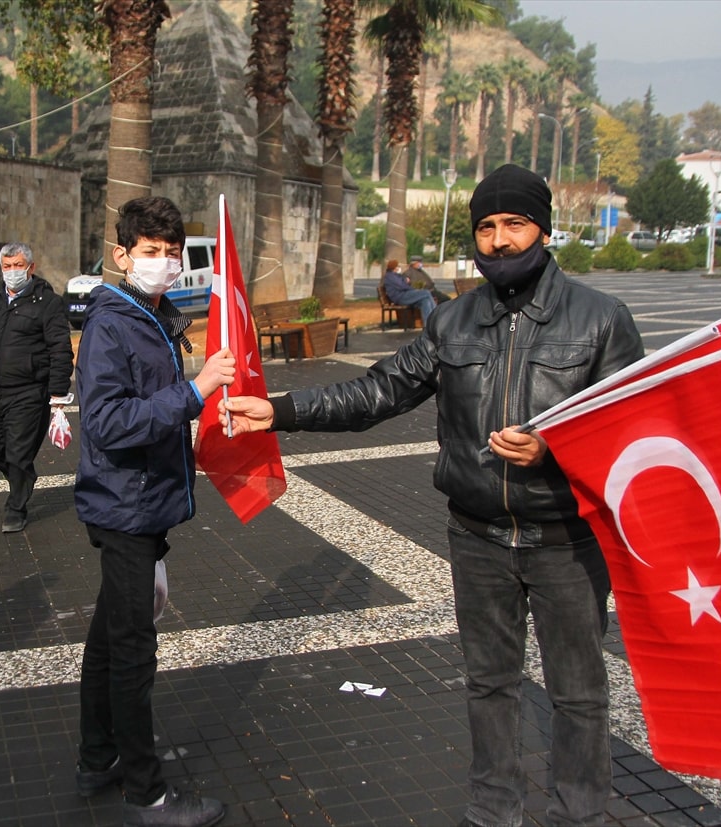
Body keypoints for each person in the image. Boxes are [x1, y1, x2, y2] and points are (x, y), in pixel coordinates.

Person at [222, 165, 644, 827]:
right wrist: (281, 410)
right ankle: (493, 810)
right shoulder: (453, 322)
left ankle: (579, 813)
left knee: (581, 694)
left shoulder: (601, 319)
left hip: (566, 540)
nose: (500, 240)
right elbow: (377, 392)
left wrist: (555, 451)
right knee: (490, 685)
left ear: (544, 227)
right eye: (487, 226)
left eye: (514, 223)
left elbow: (630, 435)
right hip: (477, 538)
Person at [73, 196, 234, 827]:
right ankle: (147, 793)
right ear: (122, 256)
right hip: (125, 508)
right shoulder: (113, 323)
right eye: (150, 252)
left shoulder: (156, 315)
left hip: (143, 505)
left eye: (172, 253)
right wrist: (195, 392)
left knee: (108, 642)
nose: (163, 263)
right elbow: (109, 423)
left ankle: (97, 756)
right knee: (133, 654)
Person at [0, 242, 74, 533]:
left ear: (31, 268)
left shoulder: (48, 302)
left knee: (19, 453)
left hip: (29, 392)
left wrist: (58, 395)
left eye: (18, 266)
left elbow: (60, 350)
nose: (12, 272)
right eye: (7, 267)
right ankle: (23, 477)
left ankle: (16, 507)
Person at [382, 257, 436, 322]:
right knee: (426, 292)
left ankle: (429, 324)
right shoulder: (390, 276)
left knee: (425, 301)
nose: (399, 267)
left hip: (405, 295)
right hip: (401, 297)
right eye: (397, 266)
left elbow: (403, 281)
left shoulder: (395, 275)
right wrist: (413, 289)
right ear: (394, 267)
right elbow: (402, 286)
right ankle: (436, 316)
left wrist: (405, 281)